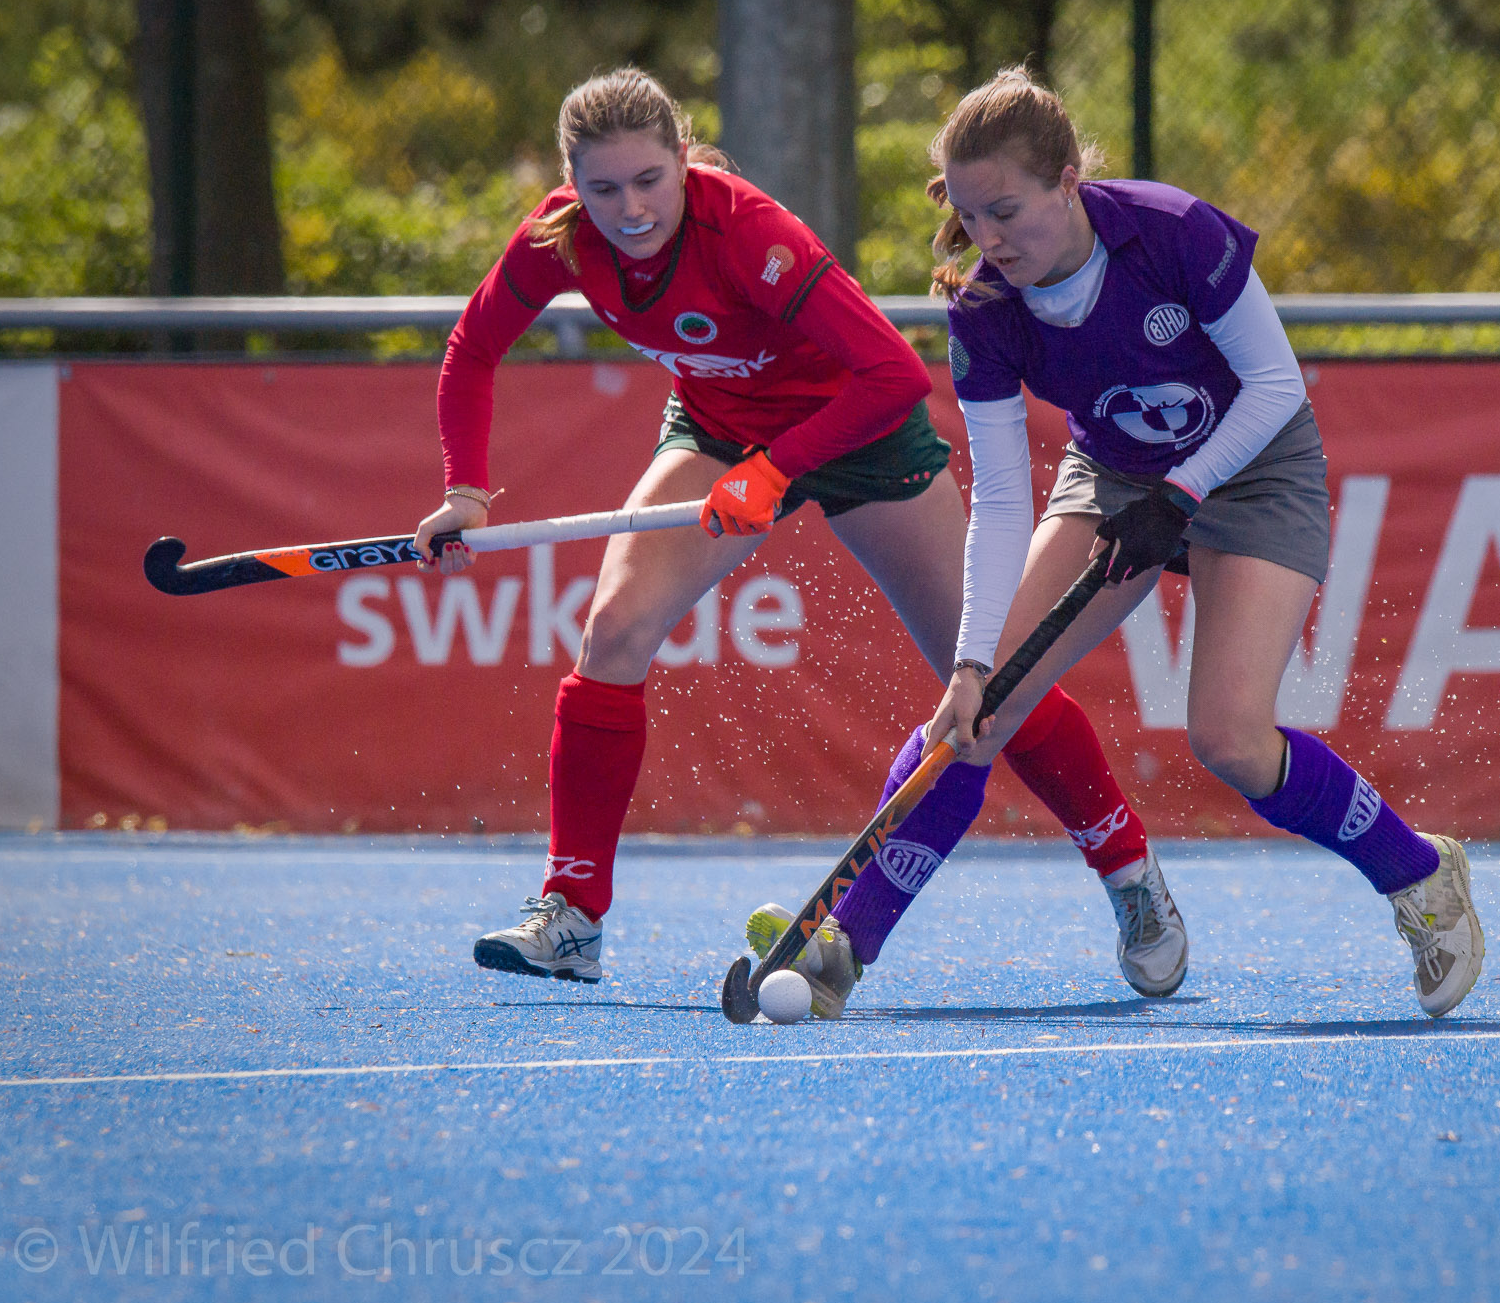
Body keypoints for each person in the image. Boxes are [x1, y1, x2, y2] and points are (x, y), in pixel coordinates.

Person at [414, 66, 1172, 988]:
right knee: (612, 630)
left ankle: (1127, 866)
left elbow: (893, 375)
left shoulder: (746, 233)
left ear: (683, 158)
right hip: (720, 430)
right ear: (572, 182)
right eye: (603, 188)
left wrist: (776, 470)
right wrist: (466, 494)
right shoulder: (561, 235)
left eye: (649, 180)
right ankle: (572, 913)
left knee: (991, 679)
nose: (630, 209)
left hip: (860, 432)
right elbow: (473, 347)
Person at [767, 66, 1485, 1020]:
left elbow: (1276, 385)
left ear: (1069, 181)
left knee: (1229, 738)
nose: (989, 239)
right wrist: (973, 663)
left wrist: (1183, 493)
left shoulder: (1173, 231)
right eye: (971, 217)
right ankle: (843, 948)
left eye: (1006, 211)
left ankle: (1420, 873)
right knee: (982, 712)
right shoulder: (985, 312)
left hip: (1254, 463)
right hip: (1113, 472)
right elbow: (1002, 501)